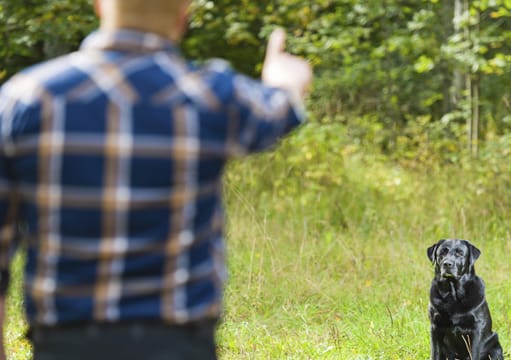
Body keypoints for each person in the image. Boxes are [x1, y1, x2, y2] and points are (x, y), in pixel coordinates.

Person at [0, 0, 312, 359]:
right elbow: (277, 112)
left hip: (65, 343)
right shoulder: (213, 97)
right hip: (178, 345)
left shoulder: (24, 101)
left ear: (99, 6)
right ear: (185, 14)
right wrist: (285, 81)